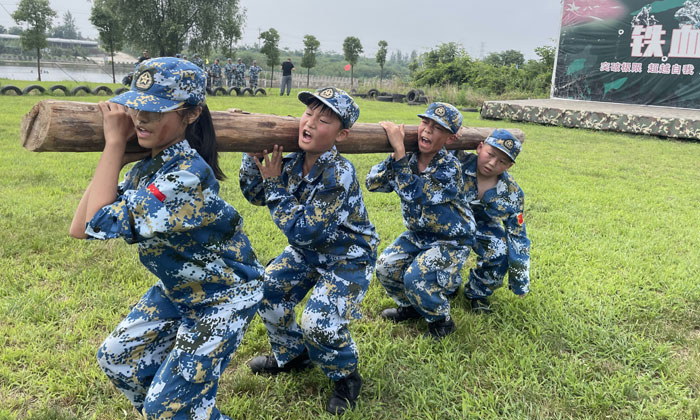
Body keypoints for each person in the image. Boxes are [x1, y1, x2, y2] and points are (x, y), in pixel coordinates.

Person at [69, 57, 264, 420]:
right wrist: (122, 154)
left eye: (157, 111)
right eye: (137, 107)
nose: (141, 118)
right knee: (117, 358)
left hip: (222, 298)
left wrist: (114, 145)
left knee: (163, 408)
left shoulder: (185, 178)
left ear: (191, 114)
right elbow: (80, 228)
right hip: (181, 289)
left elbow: (95, 220)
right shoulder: (151, 167)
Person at [239, 86, 378, 415]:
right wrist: (252, 159)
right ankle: (293, 355)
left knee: (318, 321)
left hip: (348, 259)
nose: (311, 122)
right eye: (309, 114)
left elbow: (305, 230)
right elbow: (256, 195)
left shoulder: (339, 174)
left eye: (324, 119)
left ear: (341, 134)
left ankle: (346, 377)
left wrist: (275, 185)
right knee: (266, 290)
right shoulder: (292, 163)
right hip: (308, 253)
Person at [366, 102, 475, 340]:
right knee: (386, 266)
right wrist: (396, 154)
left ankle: (441, 322)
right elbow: (372, 183)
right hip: (419, 234)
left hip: (451, 240)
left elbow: (415, 192)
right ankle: (412, 307)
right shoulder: (409, 159)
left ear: (450, 138)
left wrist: (400, 156)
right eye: (425, 123)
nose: (427, 130)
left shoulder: (450, 168)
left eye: (437, 128)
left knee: (416, 277)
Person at [452, 129, 530, 313]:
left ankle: (478, 293)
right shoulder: (456, 163)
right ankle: (447, 285)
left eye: (502, 161)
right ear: (480, 147)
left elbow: (518, 236)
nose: (493, 163)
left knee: (501, 249)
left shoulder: (512, 193)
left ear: (509, 166)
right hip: (450, 221)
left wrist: (520, 280)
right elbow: (436, 149)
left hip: (483, 227)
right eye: (490, 154)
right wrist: (454, 135)